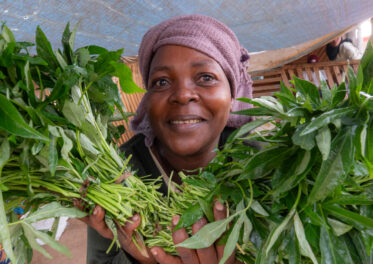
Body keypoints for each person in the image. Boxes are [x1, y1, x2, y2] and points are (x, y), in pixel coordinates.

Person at [81, 14, 253, 264]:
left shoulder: (263, 165)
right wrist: (140, 259)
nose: (183, 95)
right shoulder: (117, 176)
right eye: (161, 81)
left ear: (232, 92)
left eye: (205, 77)